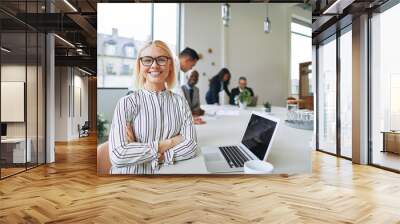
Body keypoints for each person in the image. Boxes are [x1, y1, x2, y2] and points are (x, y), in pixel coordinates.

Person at [108, 40, 197, 174]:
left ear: (170, 65)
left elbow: (191, 146)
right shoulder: (126, 103)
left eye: (161, 59)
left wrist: (143, 151)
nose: (154, 65)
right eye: (147, 60)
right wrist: (171, 142)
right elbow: (119, 155)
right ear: (140, 65)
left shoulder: (180, 103)